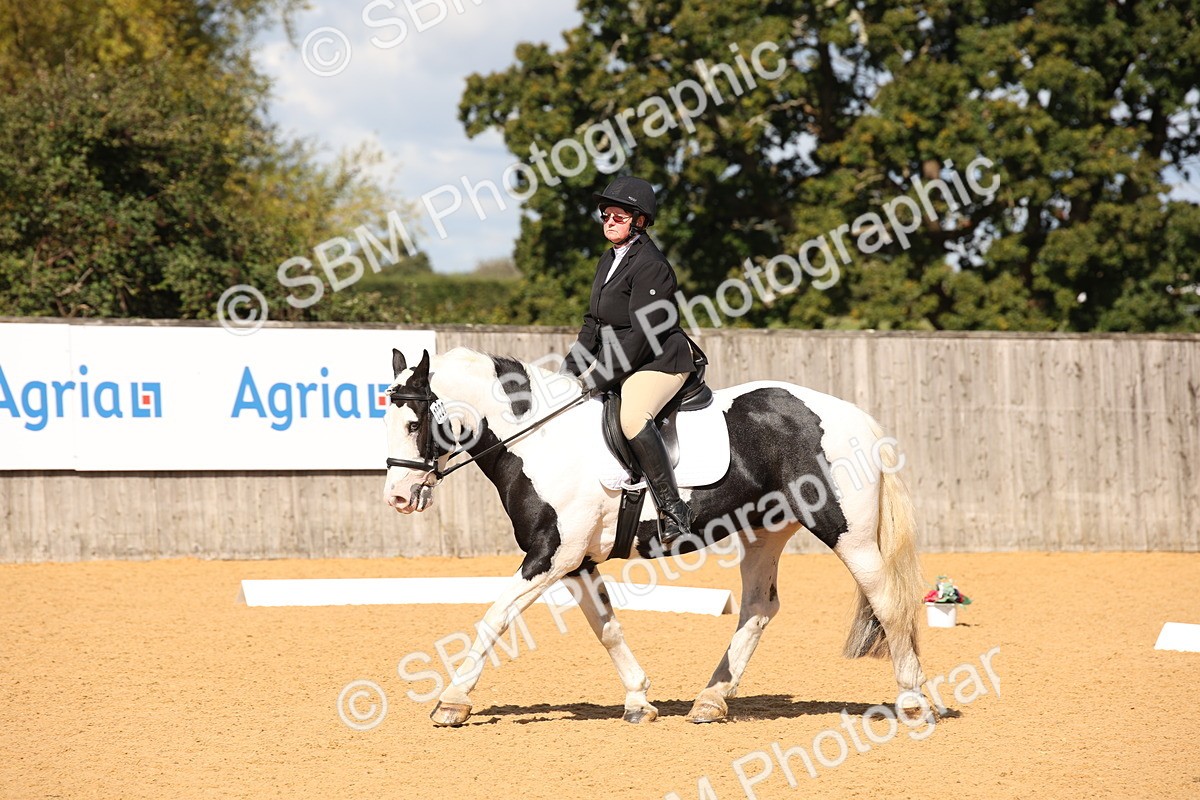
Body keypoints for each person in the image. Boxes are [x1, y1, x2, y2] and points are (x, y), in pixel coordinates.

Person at [561, 176, 697, 548]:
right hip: (624, 359)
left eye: (618, 216)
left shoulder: (651, 265)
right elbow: (593, 323)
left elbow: (641, 334)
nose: (608, 221)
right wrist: (568, 372)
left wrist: (600, 376)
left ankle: (673, 509)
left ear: (639, 220)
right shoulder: (610, 259)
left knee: (633, 416)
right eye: (605, 214)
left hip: (658, 360)